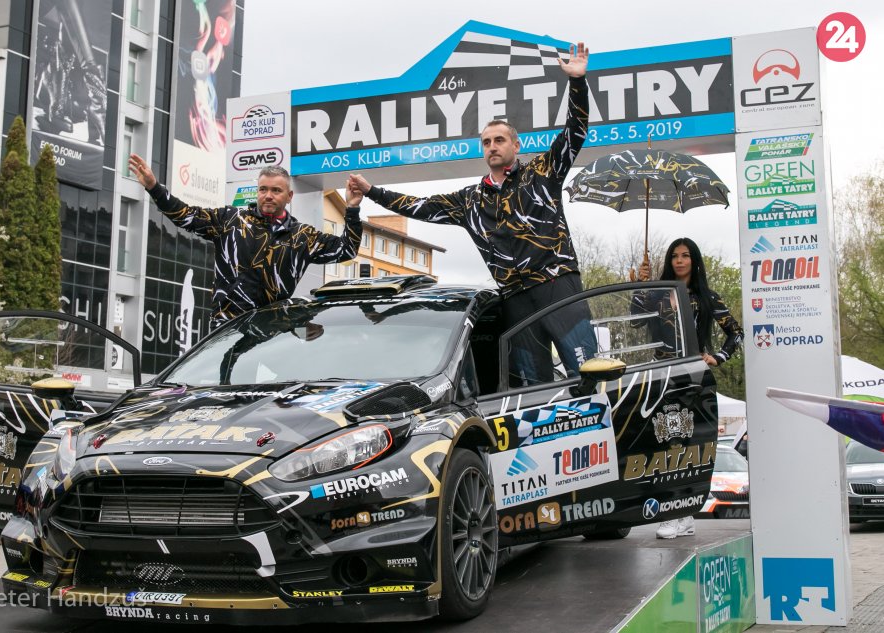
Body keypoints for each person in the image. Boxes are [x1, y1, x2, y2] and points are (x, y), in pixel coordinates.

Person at [348, 42, 595, 386]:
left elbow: (575, 130)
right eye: (486, 142)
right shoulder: (470, 200)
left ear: (516, 145)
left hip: (557, 285)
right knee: (532, 389)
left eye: (499, 140)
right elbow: (420, 206)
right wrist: (372, 191)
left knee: (589, 374)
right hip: (514, 297)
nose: (492, 146)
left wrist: (578, 81)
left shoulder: (542, 172)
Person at [129, 156, 364, 328]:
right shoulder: (230, 220)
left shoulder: (303, 236)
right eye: (263, 189)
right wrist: (154, 188)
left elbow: (347, 250)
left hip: (272, 332)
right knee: (224, 382)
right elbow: (185, 215)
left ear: (289, 196)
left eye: (276, 190)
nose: (268, 195)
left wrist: (352, 209)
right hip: (226, 329)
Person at [634, 237, 744, 539]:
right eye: (674, 256)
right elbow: (635, 321)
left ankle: (679, 513)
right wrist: (641, 285)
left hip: (693, 378)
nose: (679, 261)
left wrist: (717, 357)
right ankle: (680, 514)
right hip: (661, 376)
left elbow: (736, 332)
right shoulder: (657, 294)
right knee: (663, 443)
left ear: (694, 261)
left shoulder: (707, 297)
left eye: (685, 255)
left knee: (685, 444)